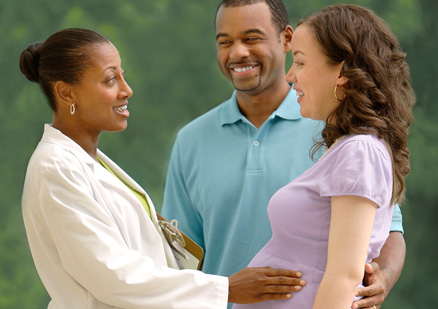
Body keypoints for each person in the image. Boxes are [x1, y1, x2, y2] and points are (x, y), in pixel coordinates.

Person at [20, 28, 307, 309]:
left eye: (122, 75)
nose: (126, 89)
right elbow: (112, 275)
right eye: (110, 80)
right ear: (66, 93)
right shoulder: (56, 168)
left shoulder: (90, 162)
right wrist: (226, 288)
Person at [162, 1, 407, 308]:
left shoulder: (339, 135)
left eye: (251, 38)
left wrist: (380, 278)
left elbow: (383, 231)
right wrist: (223, 290)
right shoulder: (190, 141)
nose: (237, 52)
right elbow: (178, 258)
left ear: (286, 40)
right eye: (225, 42)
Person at [232, 3, 415, 308]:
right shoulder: (348, 148)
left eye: (300, 63)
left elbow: (344, 277)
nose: (290, 76)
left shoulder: (360, 151)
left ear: (342, 71)